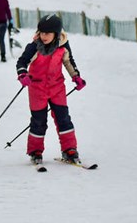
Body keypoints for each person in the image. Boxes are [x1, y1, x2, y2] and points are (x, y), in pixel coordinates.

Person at [16, 13, 86, 165]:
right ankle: (36, 151)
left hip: (57, 88)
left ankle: (69, 149)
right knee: (39, 121)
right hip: (37, 89)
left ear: (57, 33)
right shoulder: (34, 46)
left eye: (47, 33)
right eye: (41, 32)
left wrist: (76, 76)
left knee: (63, 119)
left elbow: (69, 62)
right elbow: (22, 62)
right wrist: (22, 74)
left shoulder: (63, 46)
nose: (43, 36)